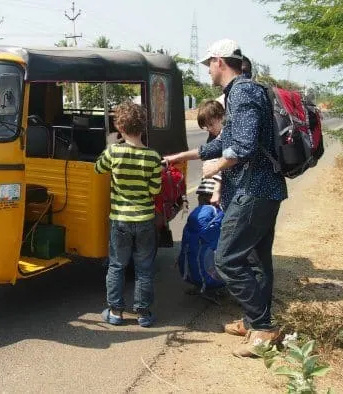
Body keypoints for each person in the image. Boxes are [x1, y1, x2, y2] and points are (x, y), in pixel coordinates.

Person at [164, 38, 288, 357]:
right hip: (262, 190)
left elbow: (242, 146)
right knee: (256, 259)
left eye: (209, 64)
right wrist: (186, 154)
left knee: (227, 258)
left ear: (220, 61)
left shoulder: (243, 92)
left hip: (253, 191)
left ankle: (263, 328)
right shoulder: (240, 93)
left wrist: (214, 168)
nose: (207, 70)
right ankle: (254, 319)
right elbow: (224, 141)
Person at [95, 101, 162, 328]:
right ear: (143, 127)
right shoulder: (153, 156)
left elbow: (98, 168)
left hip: (120, 219)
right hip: (144, 219)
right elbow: (155, 190)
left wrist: (108, 146)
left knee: (117, 265)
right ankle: (143, 313)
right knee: (144, 268)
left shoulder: (114, 152)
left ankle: (115, 312)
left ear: (120, 128)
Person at [195, 100, 224, 206]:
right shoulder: (213, 137)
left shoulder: (225, 136)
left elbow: (223, 166)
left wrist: (217, 191)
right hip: (206, 190)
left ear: (221, 117)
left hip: (216, 193)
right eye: (206, 126)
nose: (208, 129)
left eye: (211, 124)